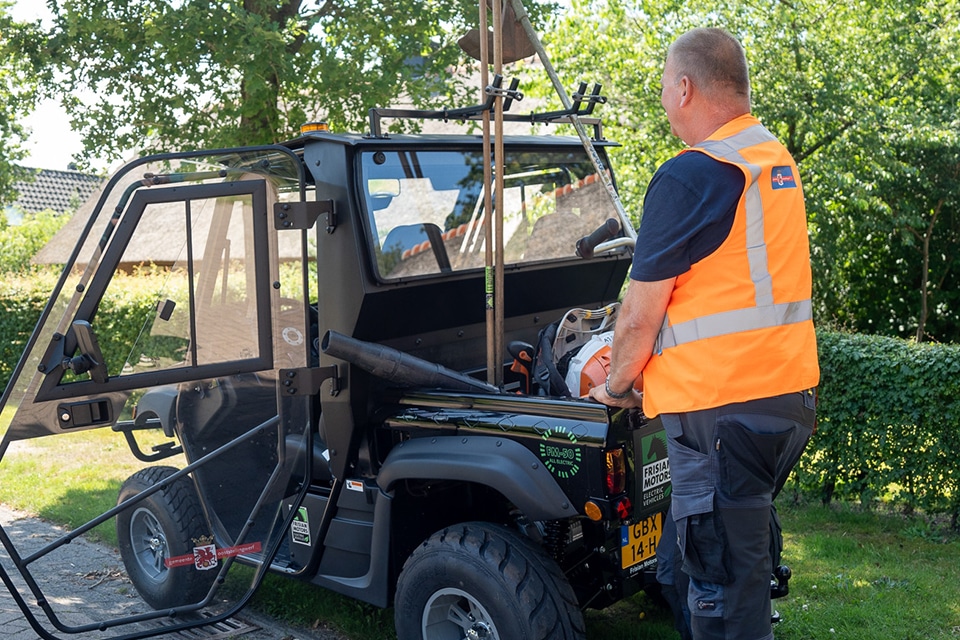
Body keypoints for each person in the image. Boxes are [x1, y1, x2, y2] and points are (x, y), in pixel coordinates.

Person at [588, 27, 820, 640]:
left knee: (724, 591)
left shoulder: (692, 173)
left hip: (723, 414)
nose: (665, 102)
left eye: (666, 88)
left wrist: (614, 386)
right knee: (691, 569)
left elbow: (639, 317)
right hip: (786, 402)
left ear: (685, 88)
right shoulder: (771, 160)